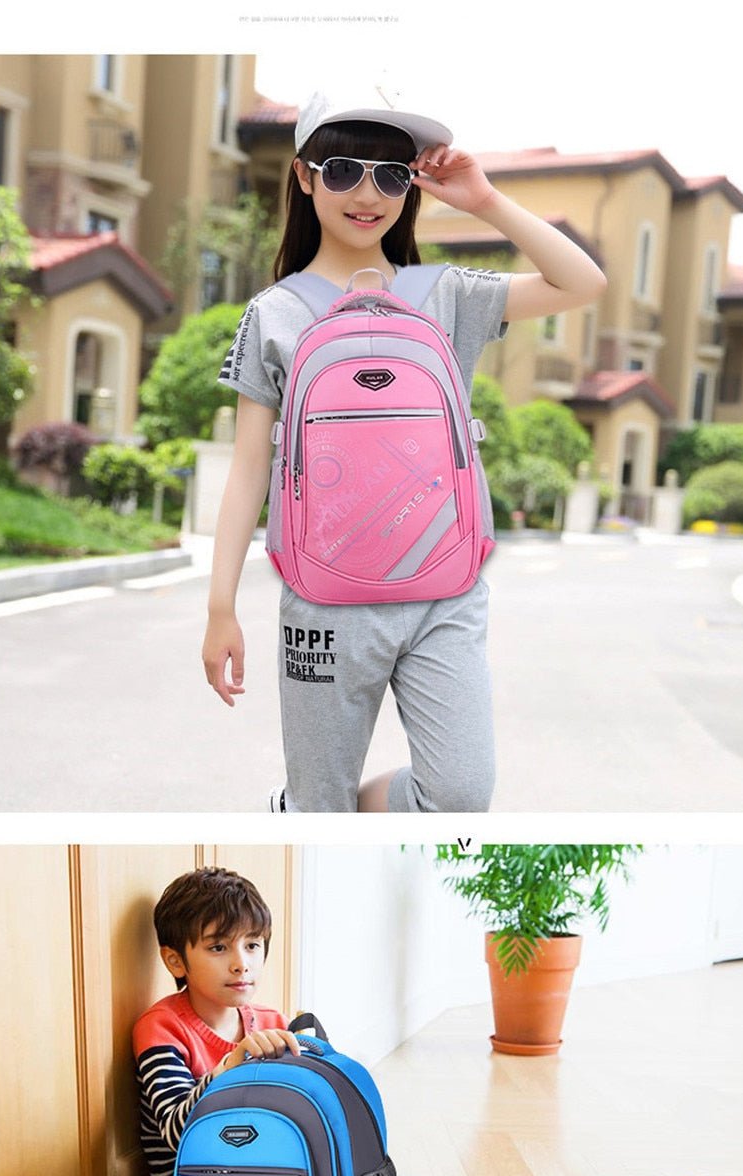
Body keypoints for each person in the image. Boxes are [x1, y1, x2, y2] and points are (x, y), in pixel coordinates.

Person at [201, 89, 607, 814]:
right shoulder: (275, 311)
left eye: (391, 175)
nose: (368, 194)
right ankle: (308, 810)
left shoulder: (447, 293)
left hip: (444, 594)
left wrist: (484, 202)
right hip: (322, 602)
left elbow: (583, 282)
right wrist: (220, 608)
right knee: (316, 810)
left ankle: (339, 811)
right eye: (344, 170)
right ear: (303, 176)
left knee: (460, 791)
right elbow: (248, 472)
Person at [133, 866, 710, 1176]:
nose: (242, 963)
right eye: (219, 948)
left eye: (254, 946)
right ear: (175, 959)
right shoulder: (163, 1028)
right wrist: (234, 1065)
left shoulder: (268, 1018)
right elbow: (176, 1134)